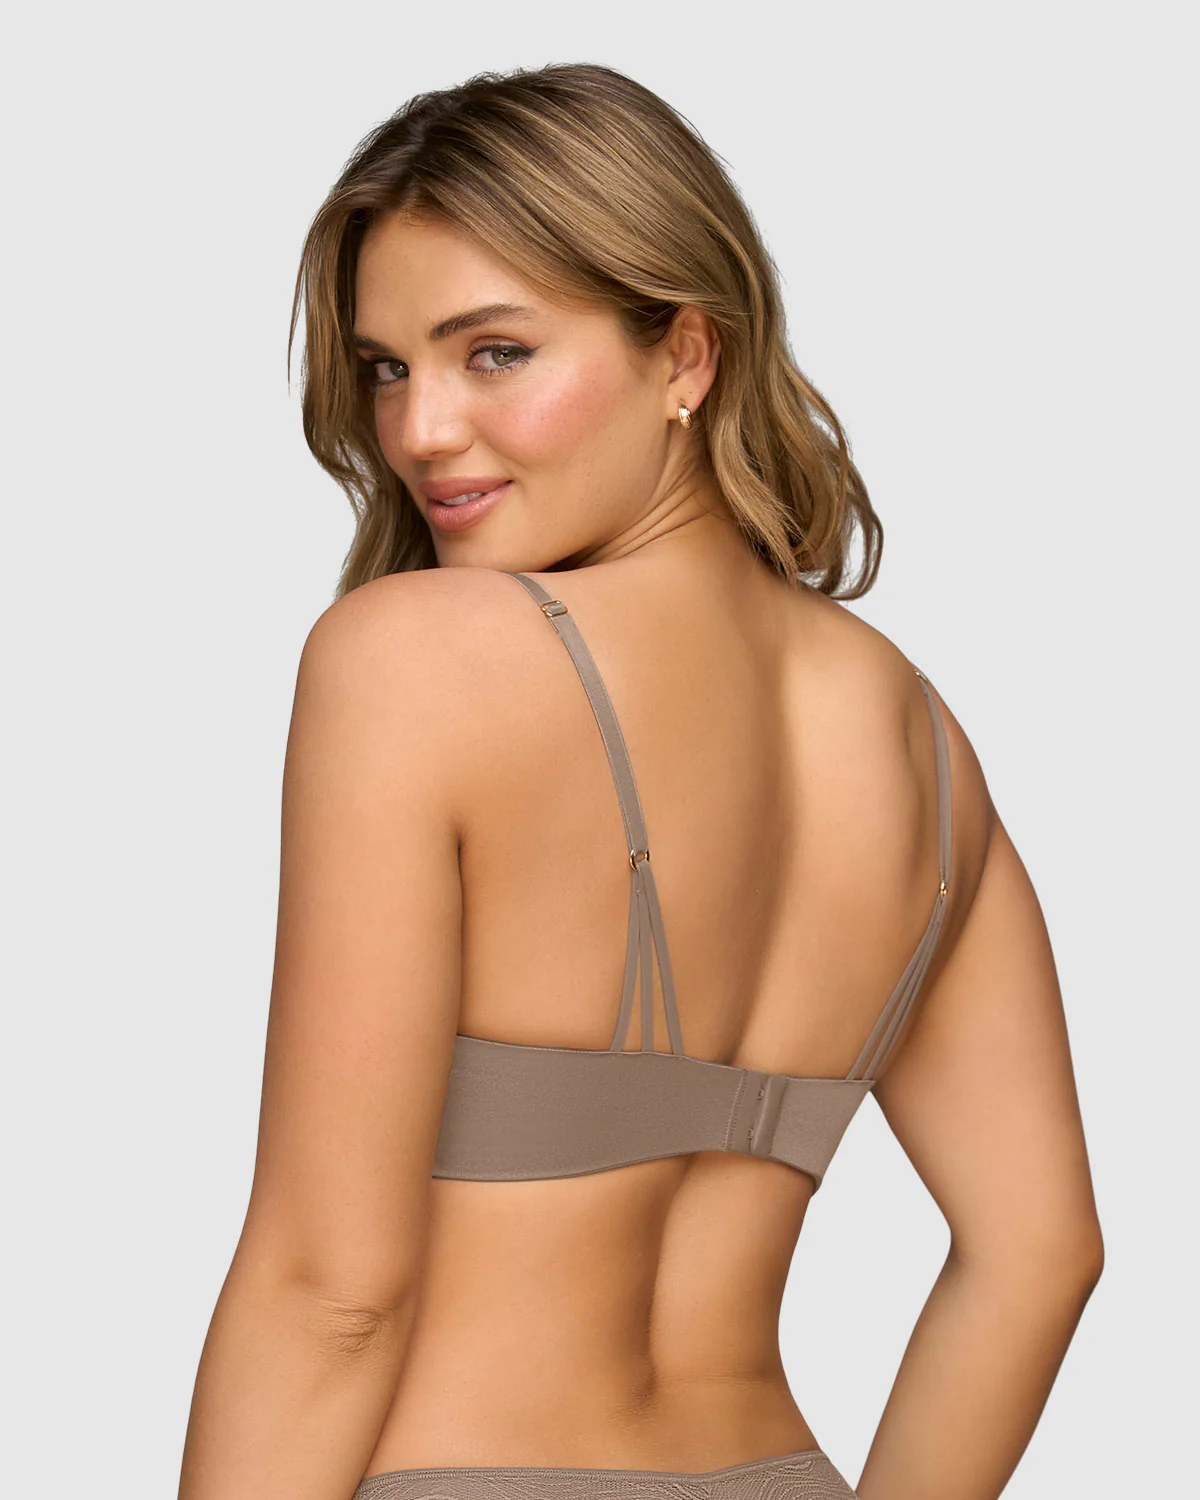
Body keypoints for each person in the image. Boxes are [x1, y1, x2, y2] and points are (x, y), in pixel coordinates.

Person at [177, 63, 1104, 1500]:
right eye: (387, 367)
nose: (419, 431)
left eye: (494, 353)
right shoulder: (918, 736)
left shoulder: (414, 661)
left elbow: (329, 1293)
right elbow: (1042, 1251)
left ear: (685, 355)